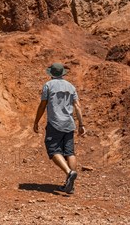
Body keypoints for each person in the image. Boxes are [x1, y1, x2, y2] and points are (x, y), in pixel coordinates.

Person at [33, 63, 85, 194]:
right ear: (63, 73)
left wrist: (36, 121)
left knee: (53, 149)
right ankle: (70, 186)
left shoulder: (48, 85)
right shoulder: (71, 86)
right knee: (69, 152)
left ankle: (69, 173)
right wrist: (81, 124)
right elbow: (77, 106)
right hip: (69, 124)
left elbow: (42, 105)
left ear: (51, 74)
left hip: (55, 123)